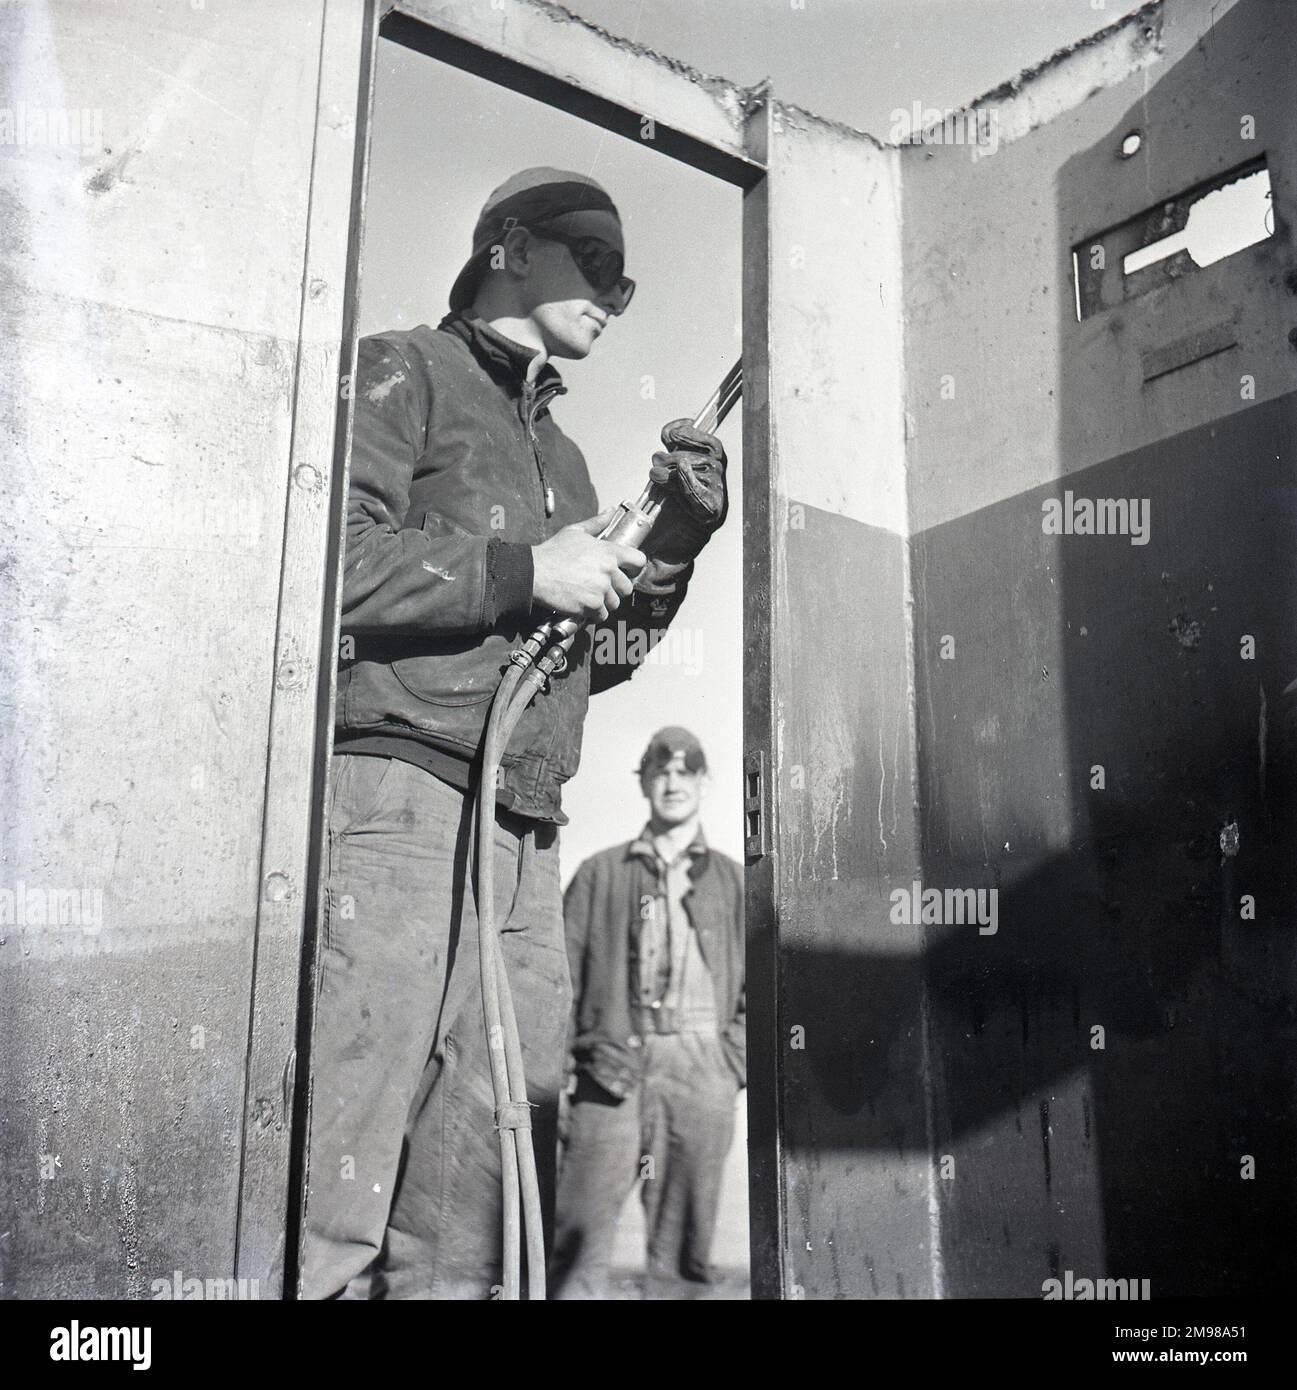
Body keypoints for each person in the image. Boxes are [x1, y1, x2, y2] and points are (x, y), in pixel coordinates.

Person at [299, 168, 729, 1299]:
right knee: (337, 1169)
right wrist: (528, 568)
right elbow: (322, 566)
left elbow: (587, 667)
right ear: (507, 246)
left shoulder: (573, 463)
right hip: (398, 801)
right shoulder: (404, 371)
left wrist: (671, 550)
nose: (614, 295)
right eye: (596, 264)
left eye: (626, 284)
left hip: (526, 829)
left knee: (476, 1197)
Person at [551, 727, 745, 1300]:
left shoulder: (736, 883)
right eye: (660, 773)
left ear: (705, 782)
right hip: (607, 1072)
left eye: (685, 773)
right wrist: (559, 1075)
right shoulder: (599, 874)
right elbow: (559, 982)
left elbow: (758, 990)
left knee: (684, 1258)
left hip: (700, 1075)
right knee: (574, 1244)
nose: (672, 783)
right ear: (643, 782)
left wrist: (728, 1063)